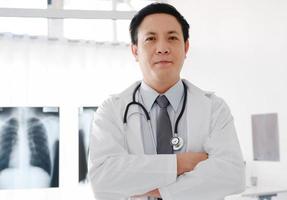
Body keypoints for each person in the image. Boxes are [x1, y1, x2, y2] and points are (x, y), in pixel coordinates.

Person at [89, 3, 245, 200]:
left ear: (186, 47)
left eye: (172, 38)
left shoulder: (214, 108)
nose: (162, 48)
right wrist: (180, 163)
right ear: (135, 51)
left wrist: (161, 191)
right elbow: (102, 178)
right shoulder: (111, 110)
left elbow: (233, 175)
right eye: (150, 39)